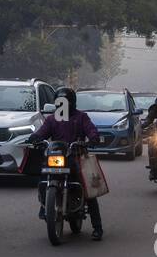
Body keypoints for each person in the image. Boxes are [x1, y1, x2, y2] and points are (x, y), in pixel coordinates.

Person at [26, 86, 104, 240]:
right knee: (43, 177)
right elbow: (42, 132)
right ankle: (44, 205)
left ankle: (98, 228)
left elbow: (92, 131)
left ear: (72, 103)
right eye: (60, 102)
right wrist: (35, 138)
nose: (62, 105)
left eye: (65, 102)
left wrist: (92, 139)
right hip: (57, 157)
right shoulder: (52, 119)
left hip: (75, 157)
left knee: (88, 189)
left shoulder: (81, 117)